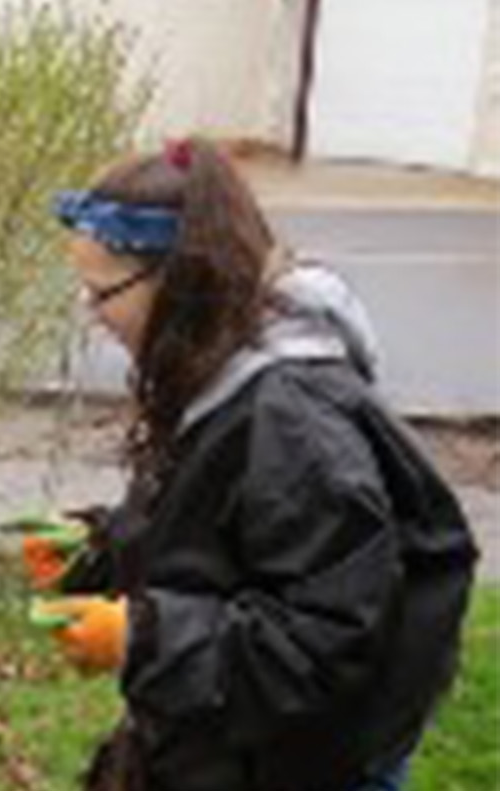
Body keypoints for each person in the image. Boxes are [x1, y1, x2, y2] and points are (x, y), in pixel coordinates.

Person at [35, 137, 479, 791]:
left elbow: (328, 639)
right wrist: (97, 545)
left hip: (304, 764)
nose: (91, 314)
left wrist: (143, 640)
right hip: (239, 743)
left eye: (102, 293)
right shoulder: (220, 364)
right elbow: (216, 530)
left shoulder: (294, 422)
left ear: (178, 280)